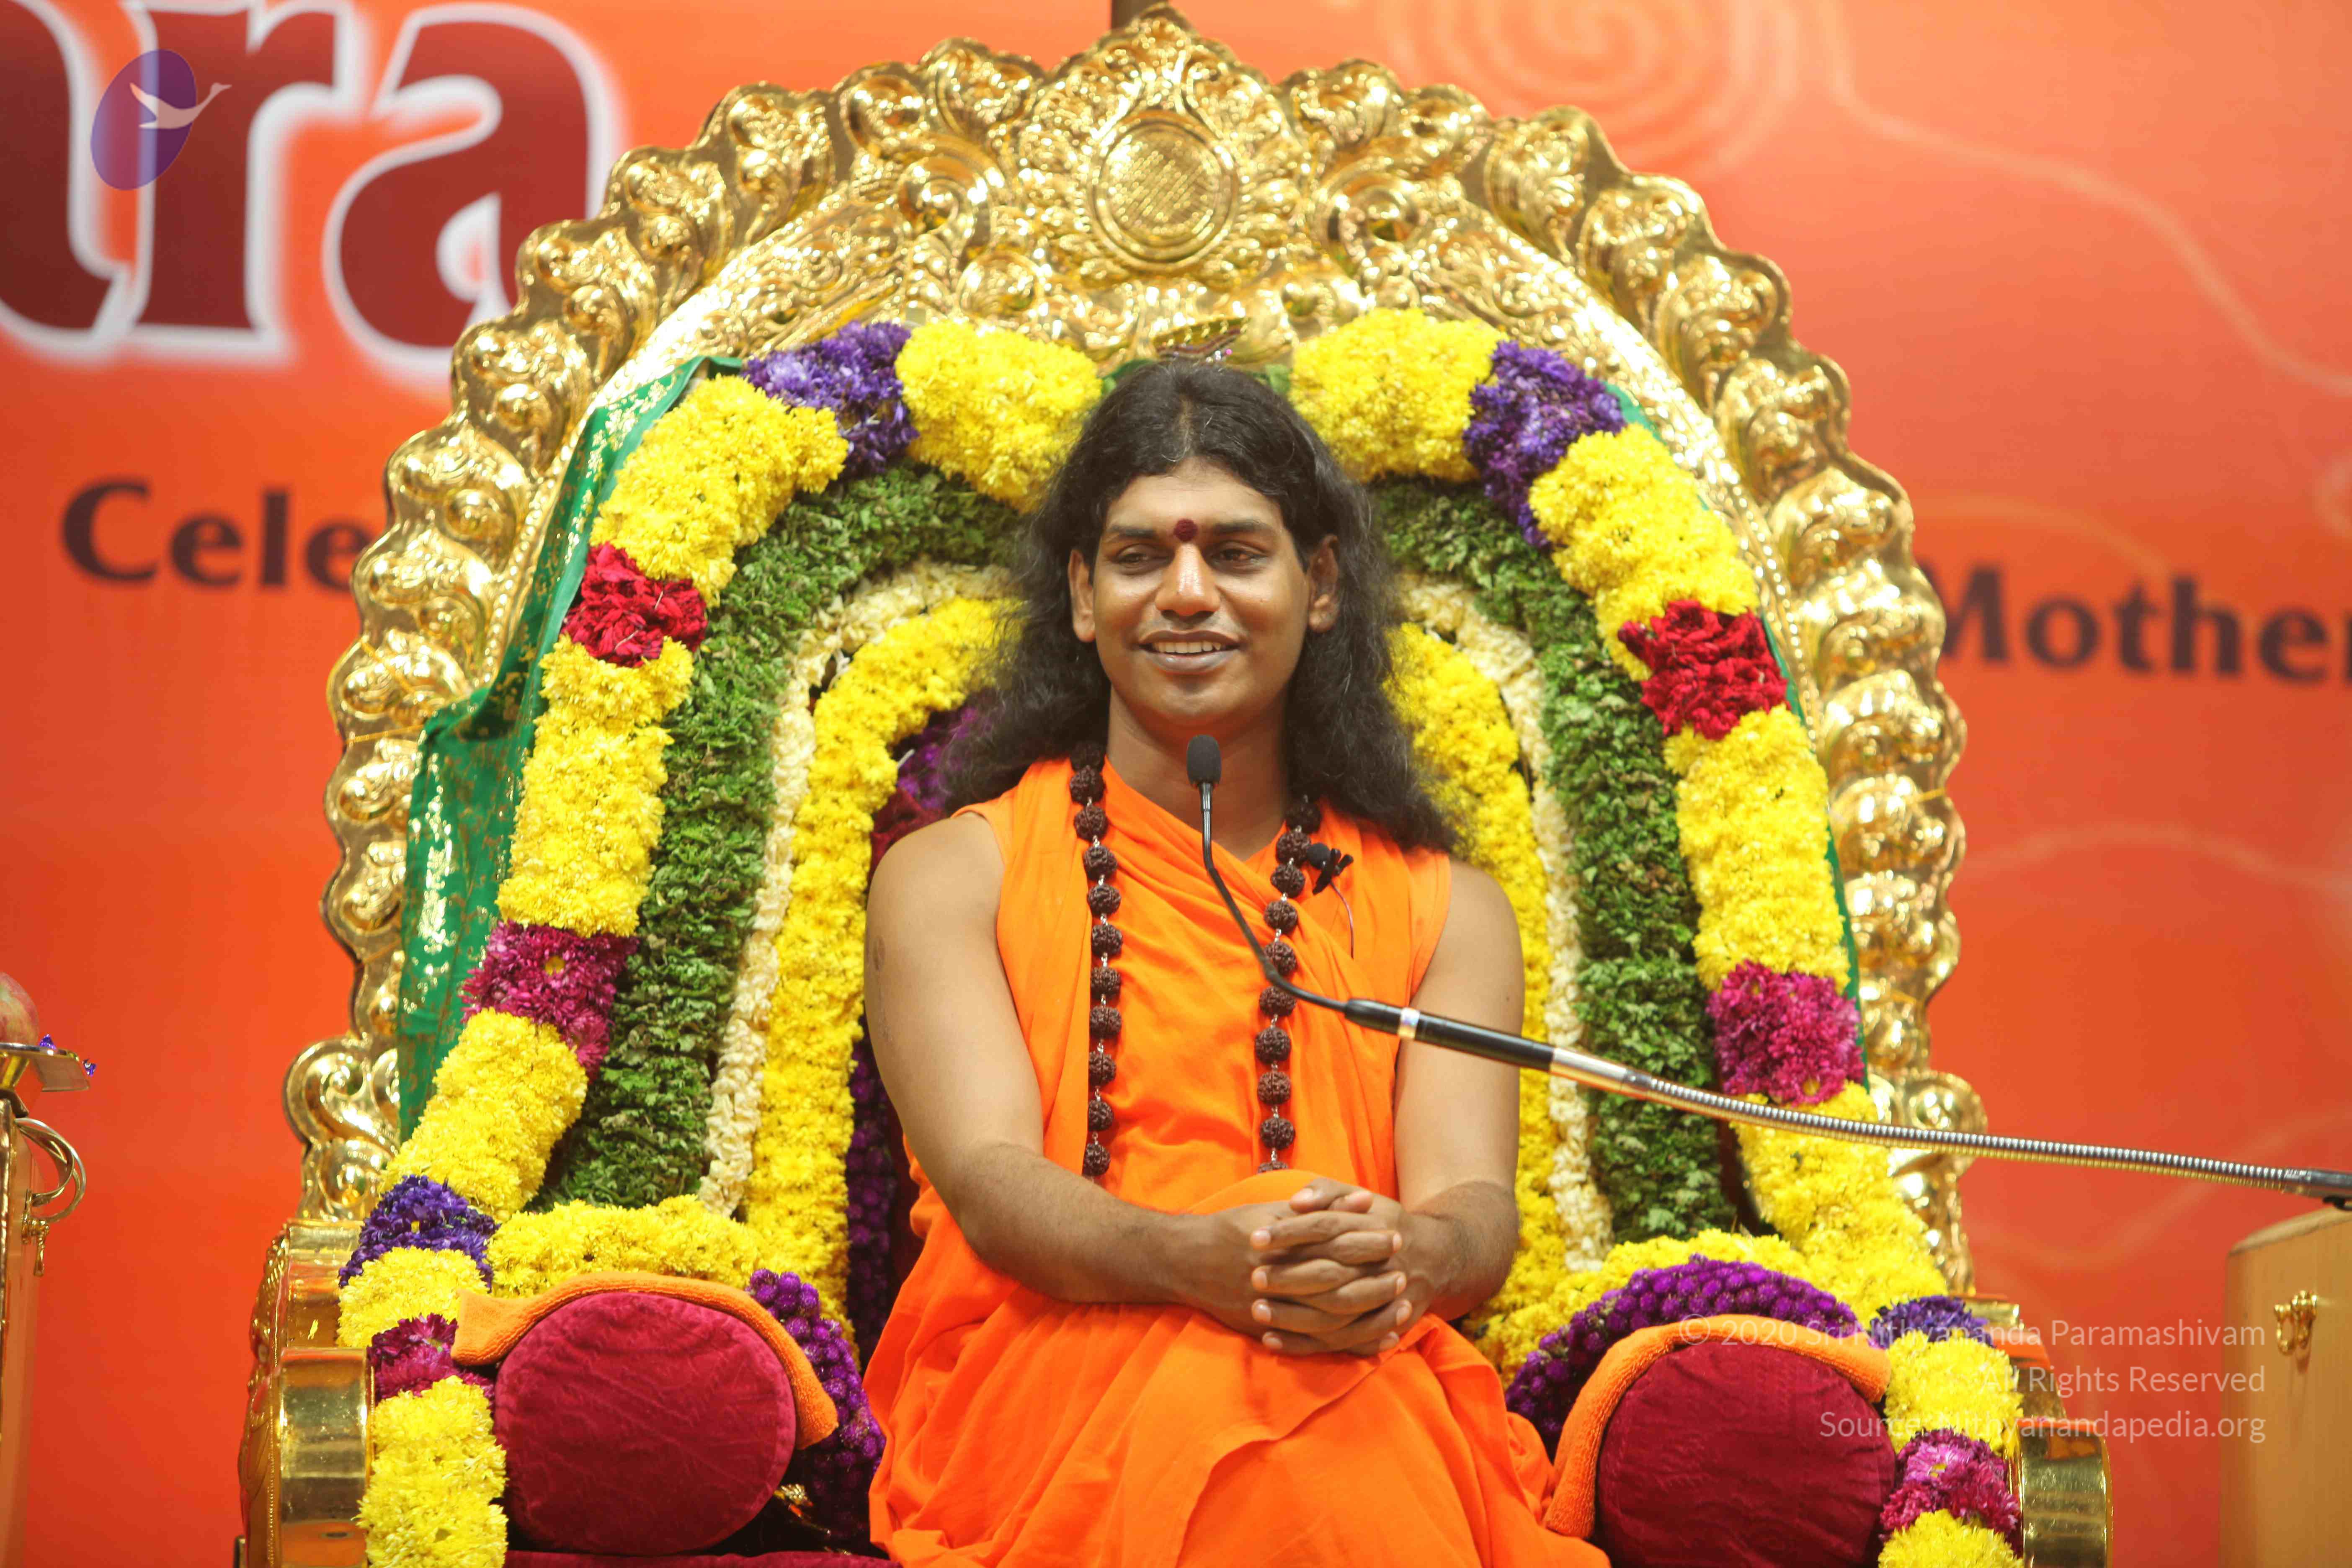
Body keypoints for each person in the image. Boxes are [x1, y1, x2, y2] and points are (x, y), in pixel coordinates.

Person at [861, 361, 1604, 1568]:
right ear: (1083, 595)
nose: (1188, 594)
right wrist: (1200, 1264)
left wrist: (1405, 1261)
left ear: (1321, 586)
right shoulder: (953, 877)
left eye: (1238, 554)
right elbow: (993, 1184)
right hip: (1048, 1383)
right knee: (1290, 1419)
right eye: (1140, 556)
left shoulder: (1447, 908)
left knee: (1322, 1414)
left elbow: (1472, 1204)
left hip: (1352, 1359)